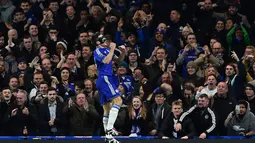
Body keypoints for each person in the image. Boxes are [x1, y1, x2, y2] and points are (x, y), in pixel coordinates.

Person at [93, 34, 126, 143]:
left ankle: (108, 137)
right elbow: (106, 61)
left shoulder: (107, 51)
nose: (108, 41)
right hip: (104, 78)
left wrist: (123, 52)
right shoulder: (97, 51)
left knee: (107, 108)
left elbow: (118, 61)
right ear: (99, 42)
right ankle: (110, 128)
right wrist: (112, 48)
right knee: (118, 100)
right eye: (105, 40)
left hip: (106, 79)